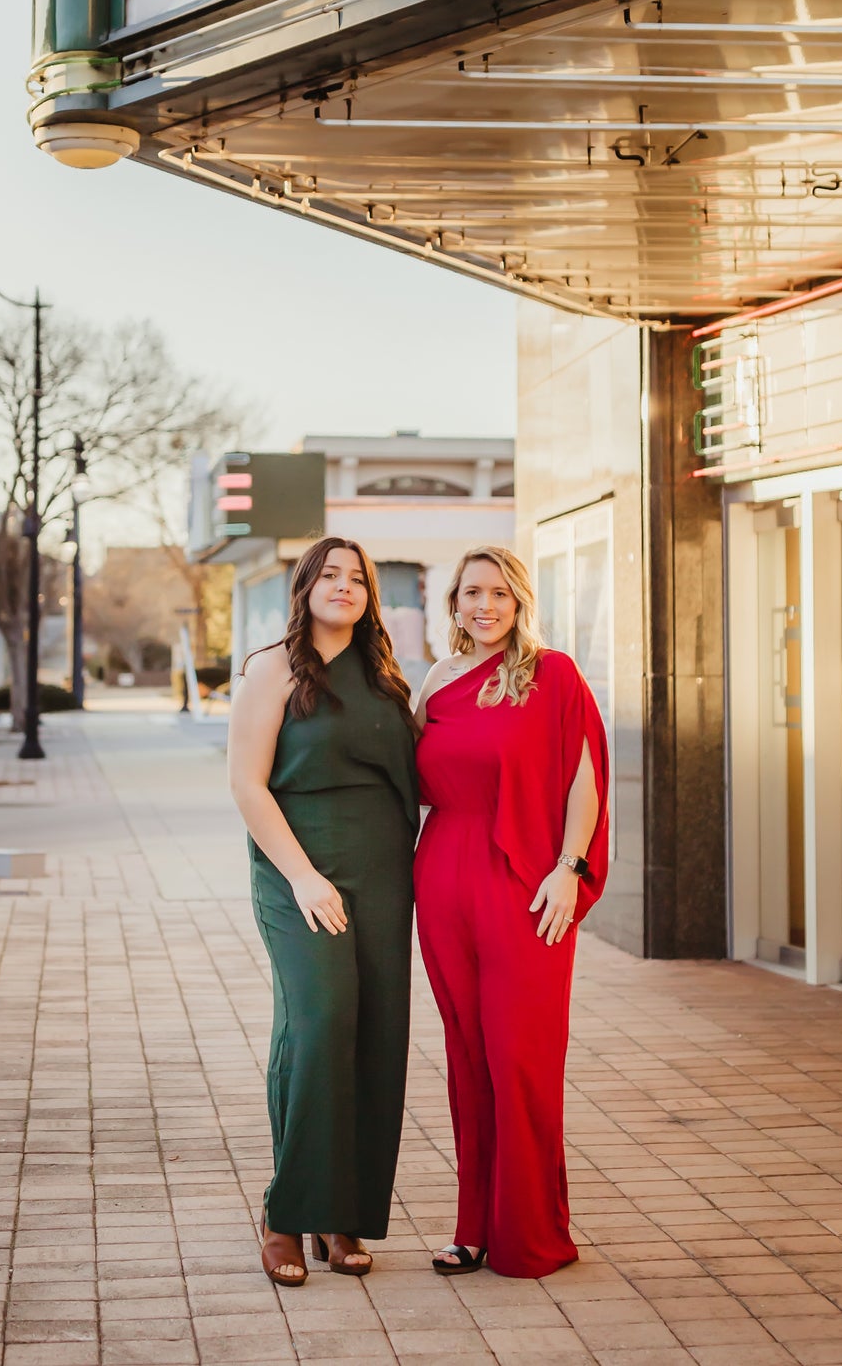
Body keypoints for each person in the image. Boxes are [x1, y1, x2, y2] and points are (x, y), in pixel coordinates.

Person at [414, 545, 609, 1279]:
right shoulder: (435, 679)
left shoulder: (553, 673)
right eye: (470, 592)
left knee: (519, 1060)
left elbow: (583, 778)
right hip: (441, 879)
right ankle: (472, 1227)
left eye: (498, 592)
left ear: (519, 599)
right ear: (453, 603)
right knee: (467, 1060)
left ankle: (531, 1232)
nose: (484, 605)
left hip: (527, 884)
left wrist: (570, 867)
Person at [228, 536, 418, 1287]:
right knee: (318, 1022)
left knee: (376, 1032)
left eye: (358, 578)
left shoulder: (386, 675)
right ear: (304, 586)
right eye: (330, 575)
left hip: (382, 869)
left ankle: (345, 1215)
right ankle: (285, 1213)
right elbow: (247, 784)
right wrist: (304, 876)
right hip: (297, 868)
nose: (344, 587)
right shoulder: (271, 666)